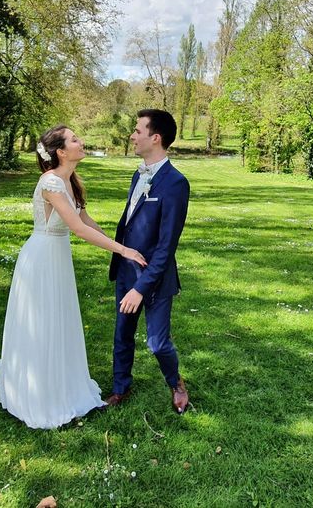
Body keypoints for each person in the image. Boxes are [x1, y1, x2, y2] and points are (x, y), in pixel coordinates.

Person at [0, 125, 147, 429]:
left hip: (57, 258)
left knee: (59, 320)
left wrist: (121, 247)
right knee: (43, 322)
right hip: (41, 259)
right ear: (61, 151)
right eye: (75, 139)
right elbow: (76, 227)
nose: (81, 141)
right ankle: (41, 394)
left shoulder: (70, 180)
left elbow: (86, 219)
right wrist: (124, 252)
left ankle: (63, 382)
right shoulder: (50, 182)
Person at [106, 109, 191, 413]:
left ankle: (176, 383)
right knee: (122, 333)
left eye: (138, 130)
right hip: (127, 269)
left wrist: (141, 288)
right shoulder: (137, 174)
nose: (133, 135)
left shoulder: (176, 183)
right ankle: (120, 388)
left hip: (155, 277)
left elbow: (166, 246)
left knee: (157, 342)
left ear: (155, 138)